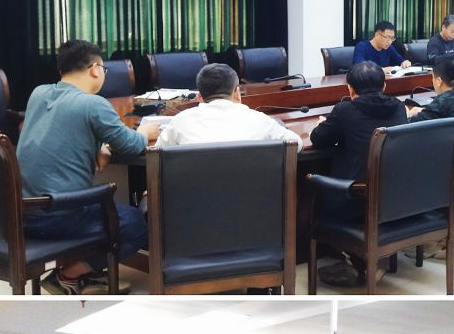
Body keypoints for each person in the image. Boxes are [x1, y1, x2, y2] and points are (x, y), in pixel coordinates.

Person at [16, 39, 157, 294]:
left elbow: (61, 132)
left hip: (20, 214)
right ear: (95, 69)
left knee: (108, 212)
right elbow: (131, 144)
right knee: (136, 225)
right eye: (103, 69)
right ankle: (67, 275)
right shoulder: (93, 104)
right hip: (58, 215)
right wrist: (145, 132)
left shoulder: (38, 93)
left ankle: (81, 273)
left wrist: (97, 146)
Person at [309, 60, 409, 286]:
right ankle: (360, 259)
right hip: (393, 199)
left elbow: (318, 138)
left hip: (355, 201)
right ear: (384, 86)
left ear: (350, 89)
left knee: (311, 186)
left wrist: (325, 123)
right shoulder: (399, 107)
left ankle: (356, 261)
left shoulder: (345, 110)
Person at [154, 63, 303, 148]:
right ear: (237, 92)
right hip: (253, 195)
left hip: (195, 195)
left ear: (199, 97)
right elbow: (296, 144)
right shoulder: (260, 120)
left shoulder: (180, 122)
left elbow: (157, 153)